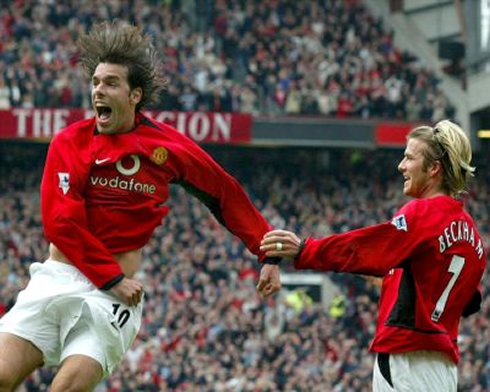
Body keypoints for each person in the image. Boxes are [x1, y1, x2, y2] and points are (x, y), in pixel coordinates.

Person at [0, 20, 280, 392]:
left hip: (109, 300)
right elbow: (59, 223)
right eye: (96, 82)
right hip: (62, 280)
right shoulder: (69, 142)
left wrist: (268, 253)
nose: (99, 90)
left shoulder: (169, 148)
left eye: (111, 83)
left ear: (135, 95)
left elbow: (225, 193)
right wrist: (112, 278)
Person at [258, 120, 486, 391]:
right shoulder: (473, 236)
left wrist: (305, 250)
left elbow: (371, 248)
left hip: (406, 360)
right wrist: (388, 279)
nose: (401, 165)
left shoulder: (421, 213)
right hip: (443, 369)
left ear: (434, 168)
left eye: (409, 158)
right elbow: (465, 299)